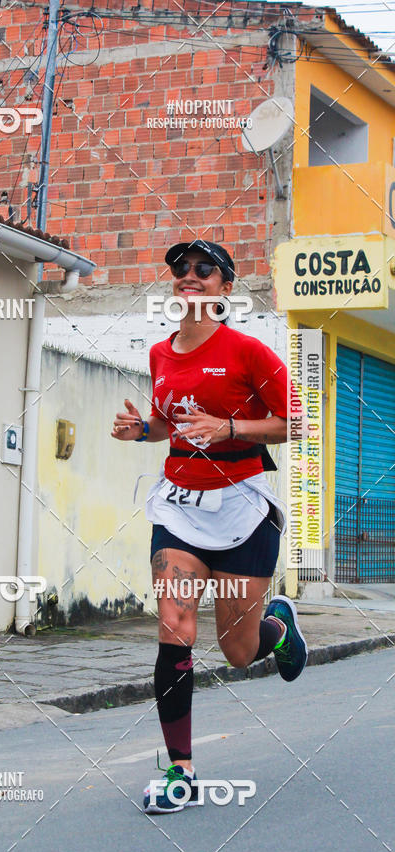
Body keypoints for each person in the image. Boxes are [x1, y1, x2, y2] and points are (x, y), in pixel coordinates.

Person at [111, 239, 307, 814]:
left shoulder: (247, 351)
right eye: (180, 267)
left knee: (238, 652)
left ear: (225, 286)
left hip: (242, 507)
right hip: (179, 506)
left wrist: (230, 428)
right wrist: (141, 431)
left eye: (204, 268)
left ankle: (279, 628)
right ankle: (181, 771)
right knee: (174, 625)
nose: (189, 275)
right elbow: (167, 423)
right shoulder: (160, 354)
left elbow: (298, 421)